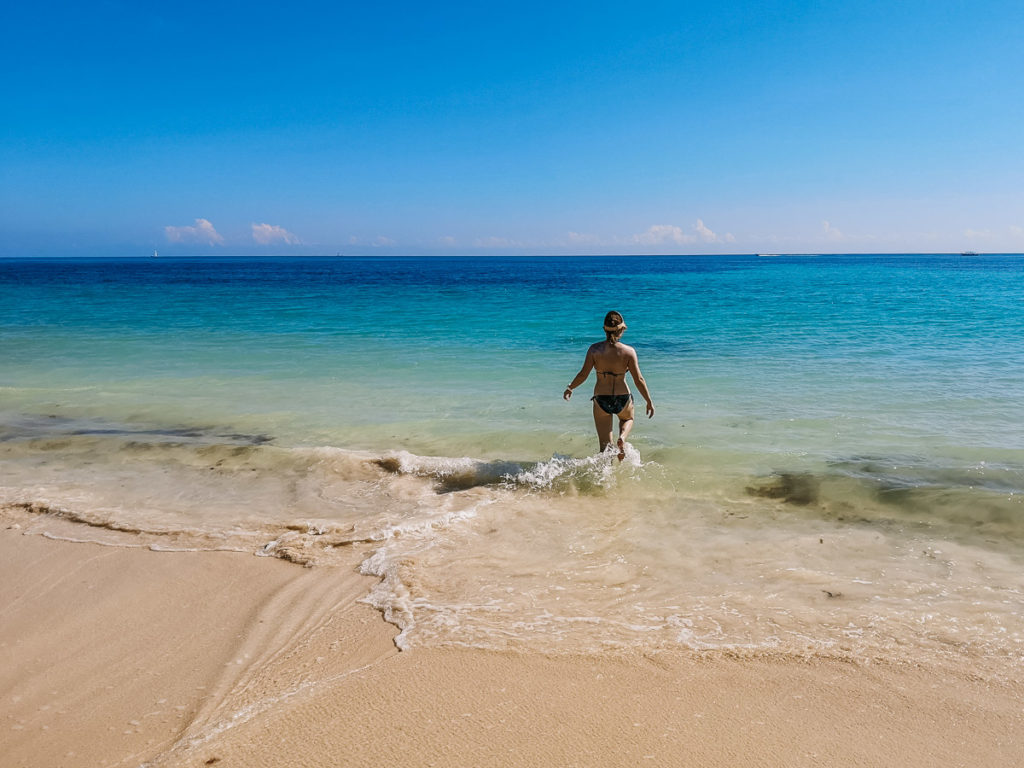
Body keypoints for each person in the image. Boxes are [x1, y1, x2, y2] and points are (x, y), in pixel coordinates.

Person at [563, 311, 655, 461]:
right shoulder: (629, 352)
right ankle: (623, 438)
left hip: (601, 399)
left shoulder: (594, 350)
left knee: (604, 448)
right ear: (621, 330)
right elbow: (639, 379)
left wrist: (570, 387)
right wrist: (649, 401)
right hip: (623, 398)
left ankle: (605, 480)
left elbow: (583, 374)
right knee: (627, 419)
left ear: (604, 329)